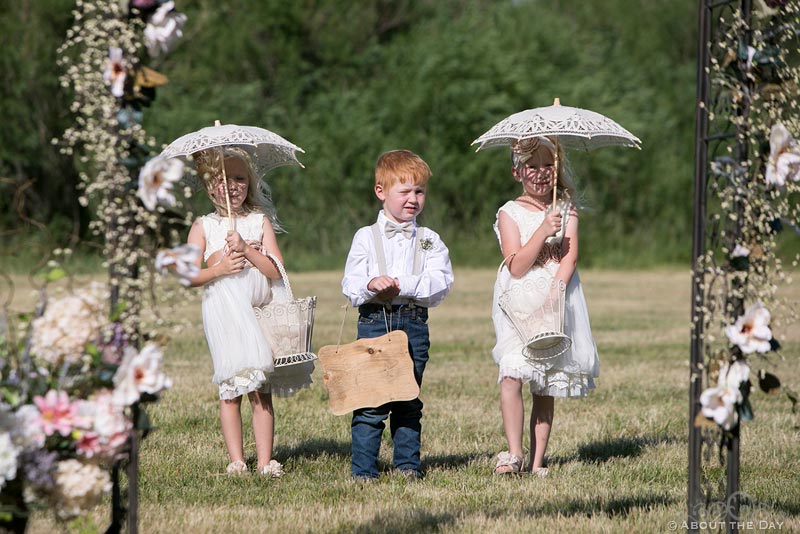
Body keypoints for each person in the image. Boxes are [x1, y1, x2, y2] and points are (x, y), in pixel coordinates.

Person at [186, 146, 313, 477]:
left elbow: (277, 271)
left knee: (261, 388)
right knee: (230, 388)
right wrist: (219, 266)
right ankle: (237, 460)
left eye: (239, 178)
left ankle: (265, 460)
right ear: (208, 184)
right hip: (224, 313)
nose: (231, 186)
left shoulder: (259, 222)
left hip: (259, 311)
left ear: (250, 183)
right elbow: (189, 276)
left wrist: (247, 250)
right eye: (221, 178)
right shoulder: (203, 226)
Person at [341, 149, 454, 481]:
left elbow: (441, 283)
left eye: (419, 191)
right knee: (371, 402)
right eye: (404, 191)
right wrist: (372, 285)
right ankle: (364, 471)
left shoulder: (430, 240)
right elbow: (350, 284)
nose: (413, 199)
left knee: (408, 399)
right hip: (375, 323)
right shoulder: (366, 237)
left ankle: (407, 466)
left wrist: (403, 283)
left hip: (414, 325)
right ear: (381, 191)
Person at [491, 137, 599, 476]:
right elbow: (517, 265)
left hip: (555, 299)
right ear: (516, 172)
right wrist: (542, 230)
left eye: (548, 165)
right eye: (532, 167)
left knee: (545, 382)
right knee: (512, 373)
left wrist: (556, 291)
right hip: (519, 303)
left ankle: (538, 461)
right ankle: (513, 453)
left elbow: (570, 256)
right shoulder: (509, 213)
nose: (540, 173)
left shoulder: (566, 209)